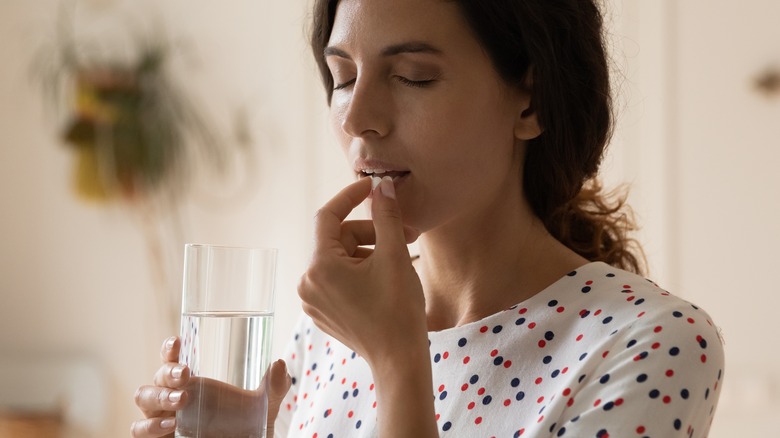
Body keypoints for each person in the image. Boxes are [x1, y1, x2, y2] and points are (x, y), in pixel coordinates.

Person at [131, 0, 725, 436]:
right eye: (342, 78)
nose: (358, 115)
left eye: (412, 76)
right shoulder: (327, 332)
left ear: (532, 100)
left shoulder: (652, 342)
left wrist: (397, 362)